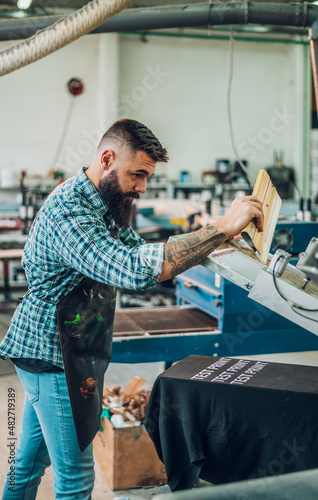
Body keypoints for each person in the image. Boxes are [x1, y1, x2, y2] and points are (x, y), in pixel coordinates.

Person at [0, 118, 264, 499]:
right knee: (75, 478)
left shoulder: (103, 203)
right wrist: (220, 227)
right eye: (137, 174)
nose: (141, 187)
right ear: (107, 158)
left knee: (28, 462)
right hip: (53, 352)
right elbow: (130, 269)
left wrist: (218, 240)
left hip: (68, 347)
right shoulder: (69, 213)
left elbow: (139, 250)